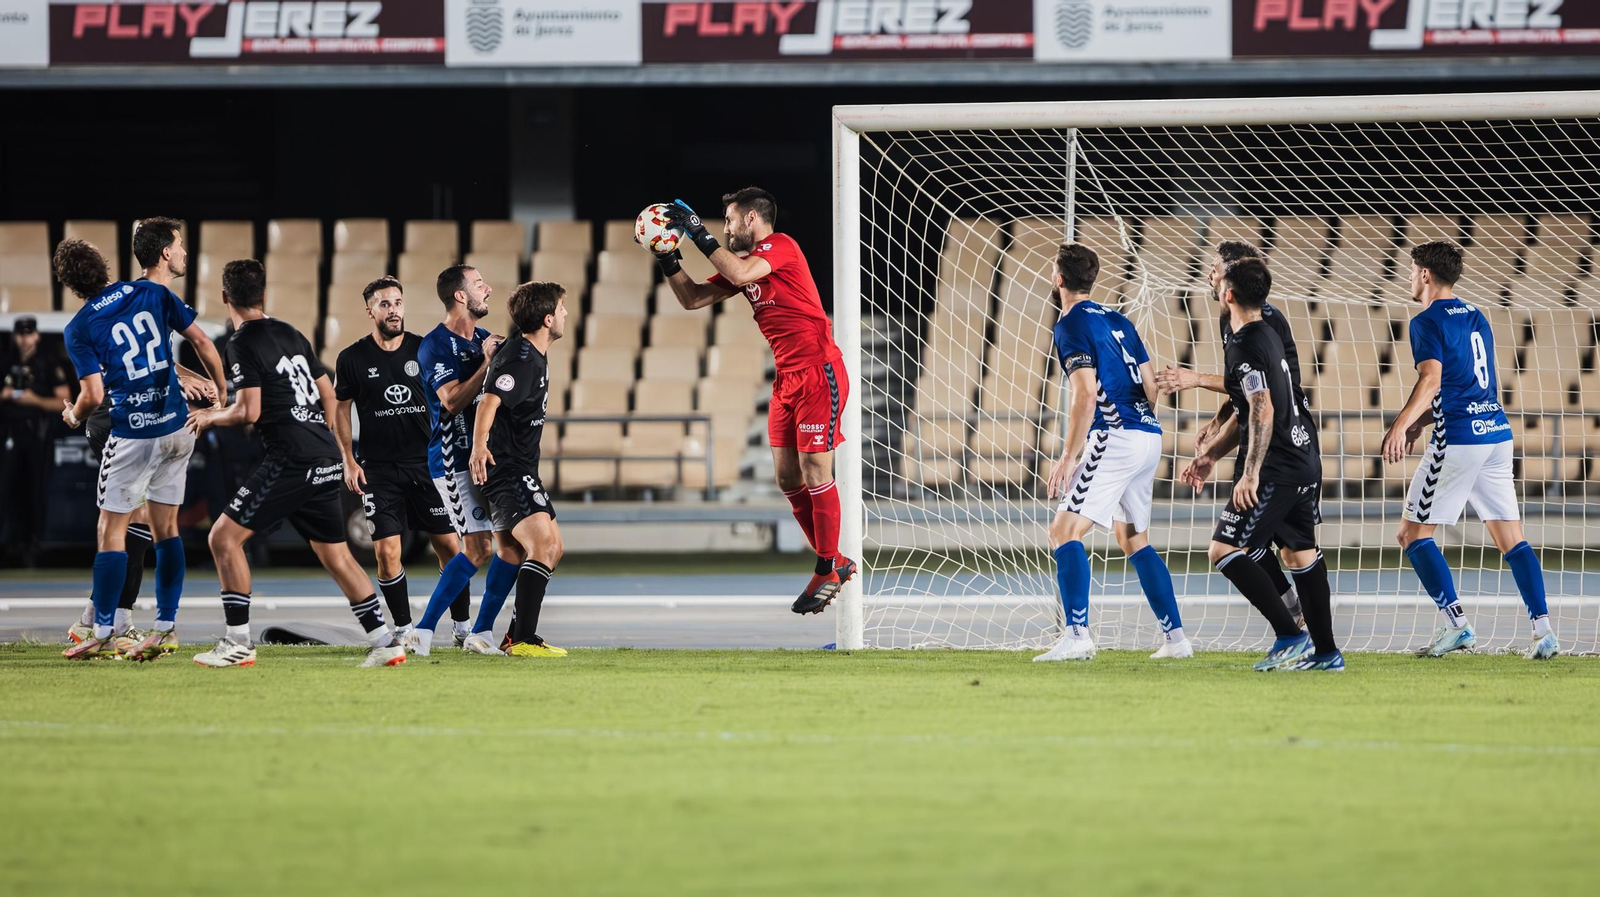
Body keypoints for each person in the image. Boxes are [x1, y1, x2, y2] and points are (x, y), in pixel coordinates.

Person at [187, 259, 404, 669]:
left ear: (224, 297)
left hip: (292, 458)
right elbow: (328, 392)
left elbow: (248, 412)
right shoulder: (290, 331)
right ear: (264, 294)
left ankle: (237, 643)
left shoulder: (241, 343)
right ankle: (385, 641)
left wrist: (209, 415)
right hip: (321, 453)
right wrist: (318, 434)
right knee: (337, 555)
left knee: (222, 539)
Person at [654, 187, 856, 613]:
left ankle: (826, 563)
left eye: (728, 221)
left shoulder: (780, 246)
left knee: (815, 467)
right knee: (787, 478)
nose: (724, 229)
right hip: (786, 380)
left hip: (819, 371)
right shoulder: (744, 265)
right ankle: (832, 559)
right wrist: (668, 258)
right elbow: (692, 299)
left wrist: (696, 232)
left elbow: (743, 276)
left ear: (750, 220)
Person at [1382, 240, 1558, 660]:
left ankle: (1457, 626)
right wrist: (1421, 423)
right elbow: (1472, 385)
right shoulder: (1477, 315)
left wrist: (1400, 425)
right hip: (1496, 433)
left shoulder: (1425, 321)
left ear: (1425, 274)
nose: (1408, 277)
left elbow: (1433, 382)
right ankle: (1544, 632)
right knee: (1512, 539)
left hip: (1459, 439)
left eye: (1411, 270)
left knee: (1411, 534)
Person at [54, 238, 228, 661]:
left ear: (70, 285)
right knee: (165, 530)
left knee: (110, 530)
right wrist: (220, 396)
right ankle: (165, 627)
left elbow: (93, 395)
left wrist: (74, 416)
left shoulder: (78, 327)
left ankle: (101, 628)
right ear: (104, 265)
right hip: (178, 427)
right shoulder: (149, 292)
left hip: (133, 433)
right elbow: (203, 342)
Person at [1034, 243, 1189, 662]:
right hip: (1148, 434)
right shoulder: (1120, 319)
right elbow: (1151, 384)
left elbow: (1085, 394)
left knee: (1063, 532)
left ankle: (1078, 635)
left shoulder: (1068, 324)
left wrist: (1069, 457)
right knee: (1133, 538)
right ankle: (1176, 640)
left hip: (1116, 435)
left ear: (1059, 278)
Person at [1155, 241, 1306, 626]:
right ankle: (1304, 628)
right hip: (1268, 440)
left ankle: (1299, 633)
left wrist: (1196, 380)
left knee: (1248, 547)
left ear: (1233, 278)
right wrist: (1220, 422)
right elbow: (1245, 386)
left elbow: (1264, 398)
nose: (1209, 273)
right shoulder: (1231, 319)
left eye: (1216, 267)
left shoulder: (1264, 321)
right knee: (1277, 548)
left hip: (1281, 443)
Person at [1201, 258, 1341, 672]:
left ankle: (1290, 635)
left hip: (1277, 466)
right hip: (1303, 457)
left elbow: (1261, 405)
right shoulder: (1269, 331)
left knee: (1224, 549)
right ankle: (1328, 653)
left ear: (1229, 294)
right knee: (1300, 554)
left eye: (1218, 276)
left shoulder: (1244, 342)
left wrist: (1250, 471)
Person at [332, 276, 485, 649]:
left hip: (427, 465)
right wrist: (348, 460)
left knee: (451, 547)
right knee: (386, 551)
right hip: (379, 470)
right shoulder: (351, 358)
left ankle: (462, 627)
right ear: (370, 311)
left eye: (398, 302)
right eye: (384, 304)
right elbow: (340, 408)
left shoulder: (424, 349)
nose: (394, 310)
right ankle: (403, 628)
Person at [403, 265, 519, 657]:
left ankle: (480, 633)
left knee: (510, 544)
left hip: (487, 458)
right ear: (459, 295)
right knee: (478, 549)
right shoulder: (433, 344)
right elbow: (450, 401)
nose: (487, 288)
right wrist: (487, 364)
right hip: (453, 461)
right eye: (479, 283)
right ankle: (422, 630)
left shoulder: (486, 338)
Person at [468, 281, 570, 657]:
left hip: (519, 467)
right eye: (561, 309)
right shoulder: (522, 357)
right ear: (547, 319)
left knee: (532, 550)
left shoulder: (528, 353)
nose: (564, 314)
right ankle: (521, 639)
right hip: (507, 468)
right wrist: (479, 447)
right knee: (544, 547)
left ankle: (500, 634)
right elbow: (488, 403)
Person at [1, 315, 71, 568]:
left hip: (38, 433)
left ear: (36, 336)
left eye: (28, 334)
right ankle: (8, 546)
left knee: (35, 491)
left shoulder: (48, 363)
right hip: (8, 433)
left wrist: (34, 400)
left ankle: (31, 549)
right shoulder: (6, 360)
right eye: (20, 334)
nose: (24, 339)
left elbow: (63, 400)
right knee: (6, 491)